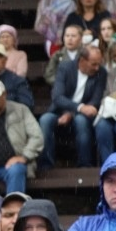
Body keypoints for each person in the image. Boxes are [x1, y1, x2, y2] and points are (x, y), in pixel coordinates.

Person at [40, 42, 105, 170]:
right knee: (45, 120)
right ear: (82, 60)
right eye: (94, 64)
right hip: (60, 111)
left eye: (99, 63)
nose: (97, 68)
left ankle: (84, 165)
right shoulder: (65, 67)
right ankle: (45, 166)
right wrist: (77, 108)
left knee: (80, 120)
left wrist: (73, 113)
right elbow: (57, 97)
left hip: (83, 115)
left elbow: (95, 101)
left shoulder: (101, 73)